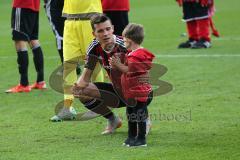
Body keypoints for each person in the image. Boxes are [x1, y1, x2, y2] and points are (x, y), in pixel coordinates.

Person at [71, 14, 153, 146]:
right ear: (94, 33)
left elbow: (142, 73)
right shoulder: (94, 46)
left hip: (140, 92)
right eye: (101, 31)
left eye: (108, 29)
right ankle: (113, 120)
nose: (106, 34)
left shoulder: (125, 45)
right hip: (119, 92)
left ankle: (144, 118)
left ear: (113, 29)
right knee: (82, 92)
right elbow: (86, 76)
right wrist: (77, 86)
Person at [50, 0, 104, 122]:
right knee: (68, 66)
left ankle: (99, 104)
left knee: (94, 64)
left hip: (91, 20)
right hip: (70, 21)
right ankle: (67, 108)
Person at [110, 23, 154, 147]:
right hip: (131, 91)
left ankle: (141, 139)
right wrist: (116, 64)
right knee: (130, 113)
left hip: (138, 92)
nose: (123, 41)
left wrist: (117, 64)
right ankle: (131, 137)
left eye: (124, 39)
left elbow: (129, 70)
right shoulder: (133, 53)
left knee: (139, 114)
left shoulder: (138, 55)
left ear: (129, 40)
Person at [6, 0, 46, 93]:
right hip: (34, 5)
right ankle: (40, 81)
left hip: (22, 4)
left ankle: (24, 84)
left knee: (20, 39)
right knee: (33, 39)